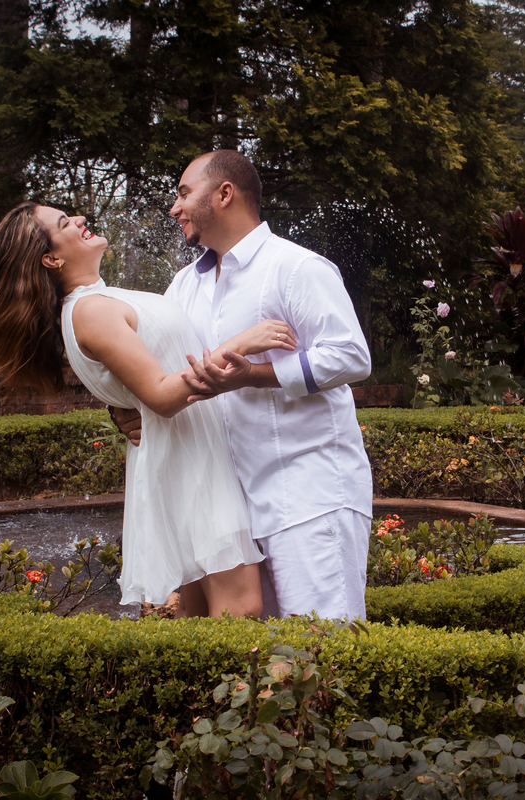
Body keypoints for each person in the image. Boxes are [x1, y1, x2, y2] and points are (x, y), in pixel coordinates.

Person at [0, 201, 299, 619]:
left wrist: (124, 411)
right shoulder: (90, 310)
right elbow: (162, 396)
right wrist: (245, 341)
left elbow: (141, 384)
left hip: (189, 457)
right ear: (51, 258)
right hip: (189, 463)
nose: (79, 219)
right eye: (64, 223)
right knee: (240, 606)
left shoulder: (98, 301)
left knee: (199, 607)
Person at [115, 150, 374, 620]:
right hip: (227, 508)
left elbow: (350, 355)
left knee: (319, 652)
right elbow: (157, 371)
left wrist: (255, 374)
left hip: (308, 493)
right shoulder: (182, 288)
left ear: (224, 194)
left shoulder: (296, 268)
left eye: (183, 193)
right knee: (254, 663)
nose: (174, 208)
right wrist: (128, 410)